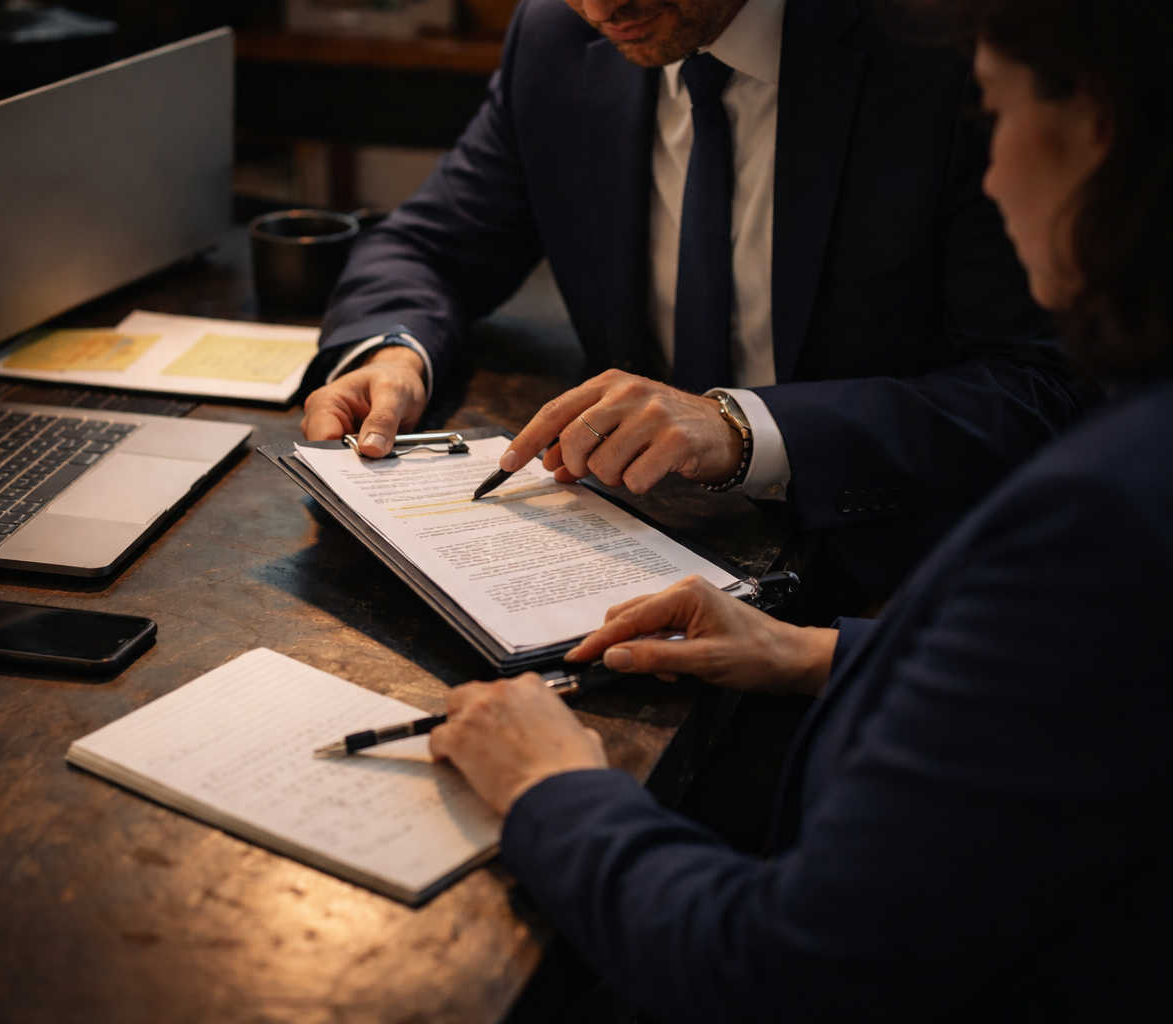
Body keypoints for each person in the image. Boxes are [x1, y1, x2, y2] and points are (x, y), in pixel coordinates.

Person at [428, 0, 1173, 1017]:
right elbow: (1090, 695)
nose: (992, 174)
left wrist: (553, 786)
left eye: (996, 115)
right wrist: (816, 653)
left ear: (1099, 129)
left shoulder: (1097, 525)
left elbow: (782, 968)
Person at [301, 0, 1098, 615]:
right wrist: (394, 351)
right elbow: (433, 244)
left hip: (888, 582)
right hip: (618, 541)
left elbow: (1044, 387)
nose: (603, 5)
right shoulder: (555, 36)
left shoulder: (940, 52)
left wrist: (744, 428)